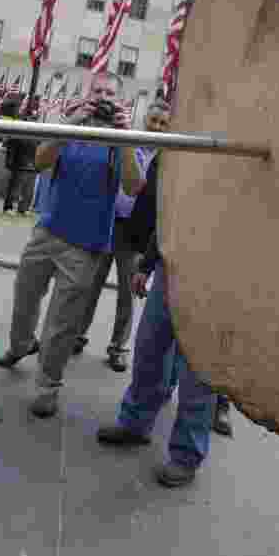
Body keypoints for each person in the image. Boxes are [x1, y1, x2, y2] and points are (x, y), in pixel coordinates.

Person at [0, 71, 143, 419]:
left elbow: (134, 187)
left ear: (120, 102)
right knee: (25, 296)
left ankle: (48, 385)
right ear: (87, 94)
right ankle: (20, 346)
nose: (103, 98)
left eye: (110, 93)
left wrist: (123, 138)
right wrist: (70, 123)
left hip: (85, 246)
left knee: (62, 322)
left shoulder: (121, 138)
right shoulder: (70, 125)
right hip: (47, 231)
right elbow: (41, 161)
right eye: (98, 91)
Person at [96, 147, 221, 488]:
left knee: (198, 370)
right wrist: (148, 263)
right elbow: (169, 212)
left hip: (217, 276)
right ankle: (135, 423)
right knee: (150, 348)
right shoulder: (182, 147)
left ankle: (186, 455)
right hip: (171, 266)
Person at [73, 100, 172, 372]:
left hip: (138, 234)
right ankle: (77, 335)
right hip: (109, 224)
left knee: (127, 296)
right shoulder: (127, 143)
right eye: (154, 121)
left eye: (163, 123)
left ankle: (118, 347)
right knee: (91, 285)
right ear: (145, 121)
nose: (158, 127)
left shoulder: (170, 159)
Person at [2, 107, 39, 217]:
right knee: (15, 188)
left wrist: (38, 166)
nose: (33, 120)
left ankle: (24, 208)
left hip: (32, 165)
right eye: (31, 118)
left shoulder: (38, 134)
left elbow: (39, 150)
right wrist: (9, 162)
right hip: (20, 164)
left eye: (34, 118)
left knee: (28, 190)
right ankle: (9, 207)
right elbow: (11, 148)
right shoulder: (19, 132)